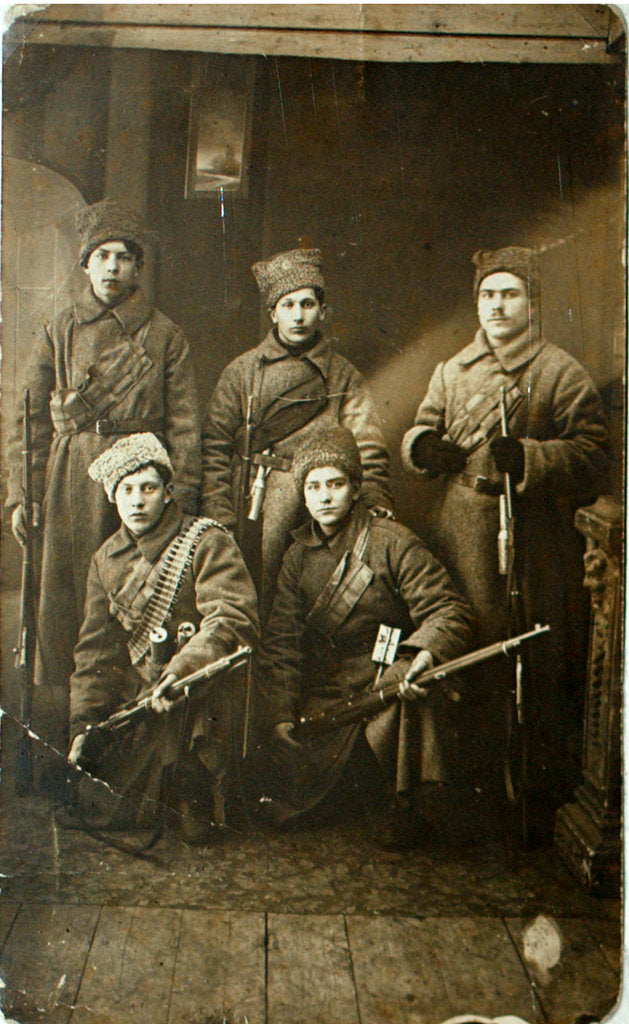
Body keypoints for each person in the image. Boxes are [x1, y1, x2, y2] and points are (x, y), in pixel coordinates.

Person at [401, 246, 611, 832]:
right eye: (488, 295)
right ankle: (466, 792)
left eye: (510, 294)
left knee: (528, 658)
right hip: (462, 533)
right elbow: (422, 424)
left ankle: (529, 794)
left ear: (532, 303)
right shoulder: (453, 370)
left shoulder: (558, 372)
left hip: (532, 540)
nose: (497, 306)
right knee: (465, 654)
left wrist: (533, 457)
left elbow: (595, 455)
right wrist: (423, 448)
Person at [6, 199, 202, 758]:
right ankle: (64, 738)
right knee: (66, 612)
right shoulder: (59, 326)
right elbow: (27, 416)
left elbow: (185, 427)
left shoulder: (165, 336)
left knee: (134, 605)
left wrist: (180, 501)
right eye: (102, 257)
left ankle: (129, 745)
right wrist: (23, 492)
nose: (113, 268)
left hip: (141, 481)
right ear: (85, 265)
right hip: (71, 481)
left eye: (124, 257)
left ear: (139, 268)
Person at [256, 427, 475, 849]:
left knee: (413, 697)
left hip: (383, 684)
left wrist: (417, 656)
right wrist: (280, 712)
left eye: (335, 484)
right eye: (313, 486)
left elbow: (451, 611)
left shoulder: (392, 543)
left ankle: (408, 806)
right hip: (329, 694)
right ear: (302, 495)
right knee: (285, 798)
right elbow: (281, 642)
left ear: (356, 489)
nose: (324, 497)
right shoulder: (296, 557)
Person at [67, 433, 259, 842]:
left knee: (196, 828)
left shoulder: (205, 539)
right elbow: (94, 654)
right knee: (99, 805)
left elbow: (231, 619)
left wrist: (182, 668)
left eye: (149, 488)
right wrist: (83, 725)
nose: (137, 501)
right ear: (113, 498)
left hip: (200, 688)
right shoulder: (105, 559)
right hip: (144, 696)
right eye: (127, 490)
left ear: (168, 493)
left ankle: (195, 785)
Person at [201, 248, 393, 620]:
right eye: (288, 305)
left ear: (322, 311)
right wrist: (219, 513)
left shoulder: (343, 375)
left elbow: (368, 445)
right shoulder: (242, 372)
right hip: (251, 505)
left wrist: (372, 495)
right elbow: (214, 447)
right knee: (252, 604)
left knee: (310, 606)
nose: (299, 315)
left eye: (307, 304)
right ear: (273, 313)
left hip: (320, 506)